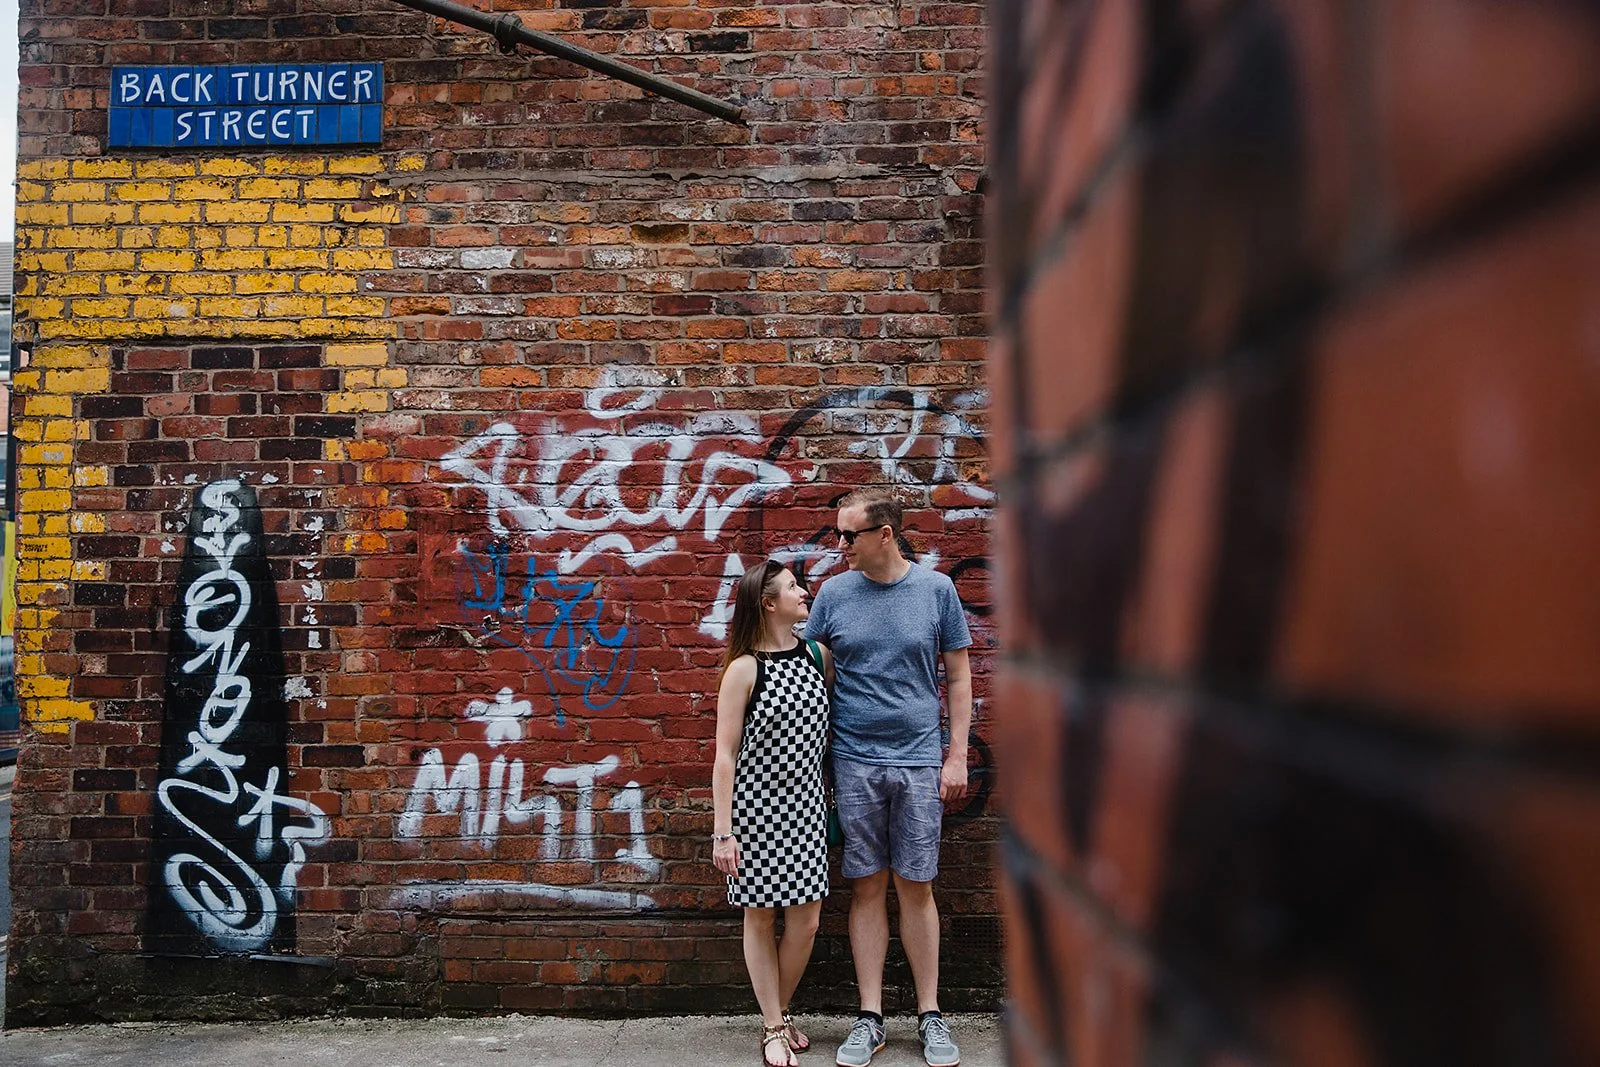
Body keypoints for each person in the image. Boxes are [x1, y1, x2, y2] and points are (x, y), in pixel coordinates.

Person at [805, 488, 972, 1067]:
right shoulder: (832, 594)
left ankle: (930, 1014)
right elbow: (807, 675)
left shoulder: (935, 590)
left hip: (920, 760)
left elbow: (958, 678)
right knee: (867, 885)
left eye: (849, 535)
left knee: (917, 886)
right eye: (836, 535)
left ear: (885, 534)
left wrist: (957, 756)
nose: (840, 545)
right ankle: (870, 1017)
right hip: (853, 760)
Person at [712, 559, 833, 1067]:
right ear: (767, 602)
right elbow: (724, 754)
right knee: (760, 919)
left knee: (805, 922)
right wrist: (723, 833)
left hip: (807, 807)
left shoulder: (817, 655)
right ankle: (773, 1025)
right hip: (755, 810)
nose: (804, 593)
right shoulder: (744, 670)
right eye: (793, 588)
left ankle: (777, 1014)